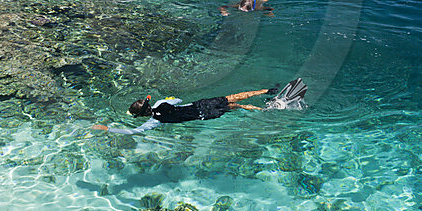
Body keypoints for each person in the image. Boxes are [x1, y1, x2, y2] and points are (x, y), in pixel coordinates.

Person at [91, 79, 307, 134]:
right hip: (202, 104)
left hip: (204, 115)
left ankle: (267, 109)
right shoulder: (159, 104)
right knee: (234, 97)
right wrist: (171, 98)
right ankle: (267, 91)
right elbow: (175, 101)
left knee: (238, 107)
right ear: (147, 104)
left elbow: (133, 132)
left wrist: (109, 128)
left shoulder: (154, 122)